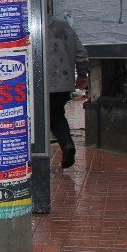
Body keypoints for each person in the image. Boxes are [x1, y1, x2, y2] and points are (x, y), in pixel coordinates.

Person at [47, 17, 89, 169]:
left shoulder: (33, 25)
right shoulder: (65, 26)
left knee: (48, 117)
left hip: (42, 85)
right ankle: (67, 144)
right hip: (64, 83)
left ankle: (65, 145)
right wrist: (83, 75)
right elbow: (81, 53)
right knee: (57, 115)